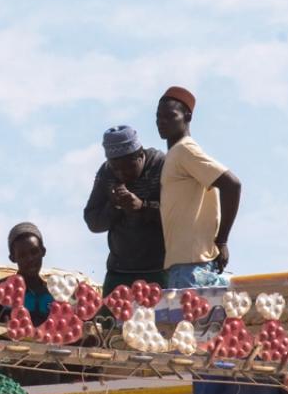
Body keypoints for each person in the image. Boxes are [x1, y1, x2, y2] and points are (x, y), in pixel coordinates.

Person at [155, 85, 242, 289]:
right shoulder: (176, 153)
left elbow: (232, 185)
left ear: (187, 117)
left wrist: (222, 241)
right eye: (158, 117)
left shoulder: (185, 150)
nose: (161, 122)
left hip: (190, 266)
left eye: (170, 116)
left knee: (188, 322)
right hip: (186, 266)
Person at [83, 125, 167, 294]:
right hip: (120, 272)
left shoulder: (161, 165)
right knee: (107, 320)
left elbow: (178, 216)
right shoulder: (106, 172)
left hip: (159, 270)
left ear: (140, 154)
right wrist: (114, 206)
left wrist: (142, 206)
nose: (122, 174)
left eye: (128, 167)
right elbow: (93, 221)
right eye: (116, 168)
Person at [0, 222, 53, 327]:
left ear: (43, 251)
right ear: (13, 258)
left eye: (34, 252)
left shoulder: (55, 295)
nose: (30, 259)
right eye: (22, 255)